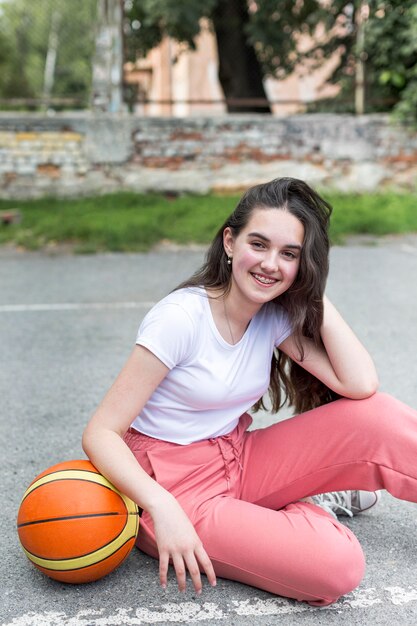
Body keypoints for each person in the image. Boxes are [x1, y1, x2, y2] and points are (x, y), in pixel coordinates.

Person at [83, 177, 417, 607]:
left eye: (289, 254)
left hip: (237, 457)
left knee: (380, 417)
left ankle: (277, 506)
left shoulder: (271, 315)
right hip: (174, 487)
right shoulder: (180, 319)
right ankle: (301, 504)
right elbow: (101, 433)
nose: (270, 264)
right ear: (229, 242)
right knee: (336, 565)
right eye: (258, 244)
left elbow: (359, 384)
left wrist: (311, 290)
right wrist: (163, 508)